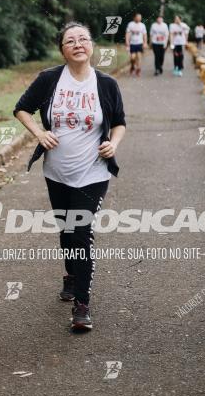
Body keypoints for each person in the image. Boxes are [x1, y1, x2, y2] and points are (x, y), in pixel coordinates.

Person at [13, 22, 126, 332]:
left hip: (94, 172)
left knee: (80, 231)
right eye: (70, 40)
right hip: (57, 173)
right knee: (66, 229)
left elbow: (119, 123)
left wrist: (112, 144)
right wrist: (39, 132)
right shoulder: (49, 80)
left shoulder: (106, 84)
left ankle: (82, 303)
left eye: (84, 39)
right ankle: (71, 274)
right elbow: (22, 109)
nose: (78, 44)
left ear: (91, 46)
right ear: (61, 49)